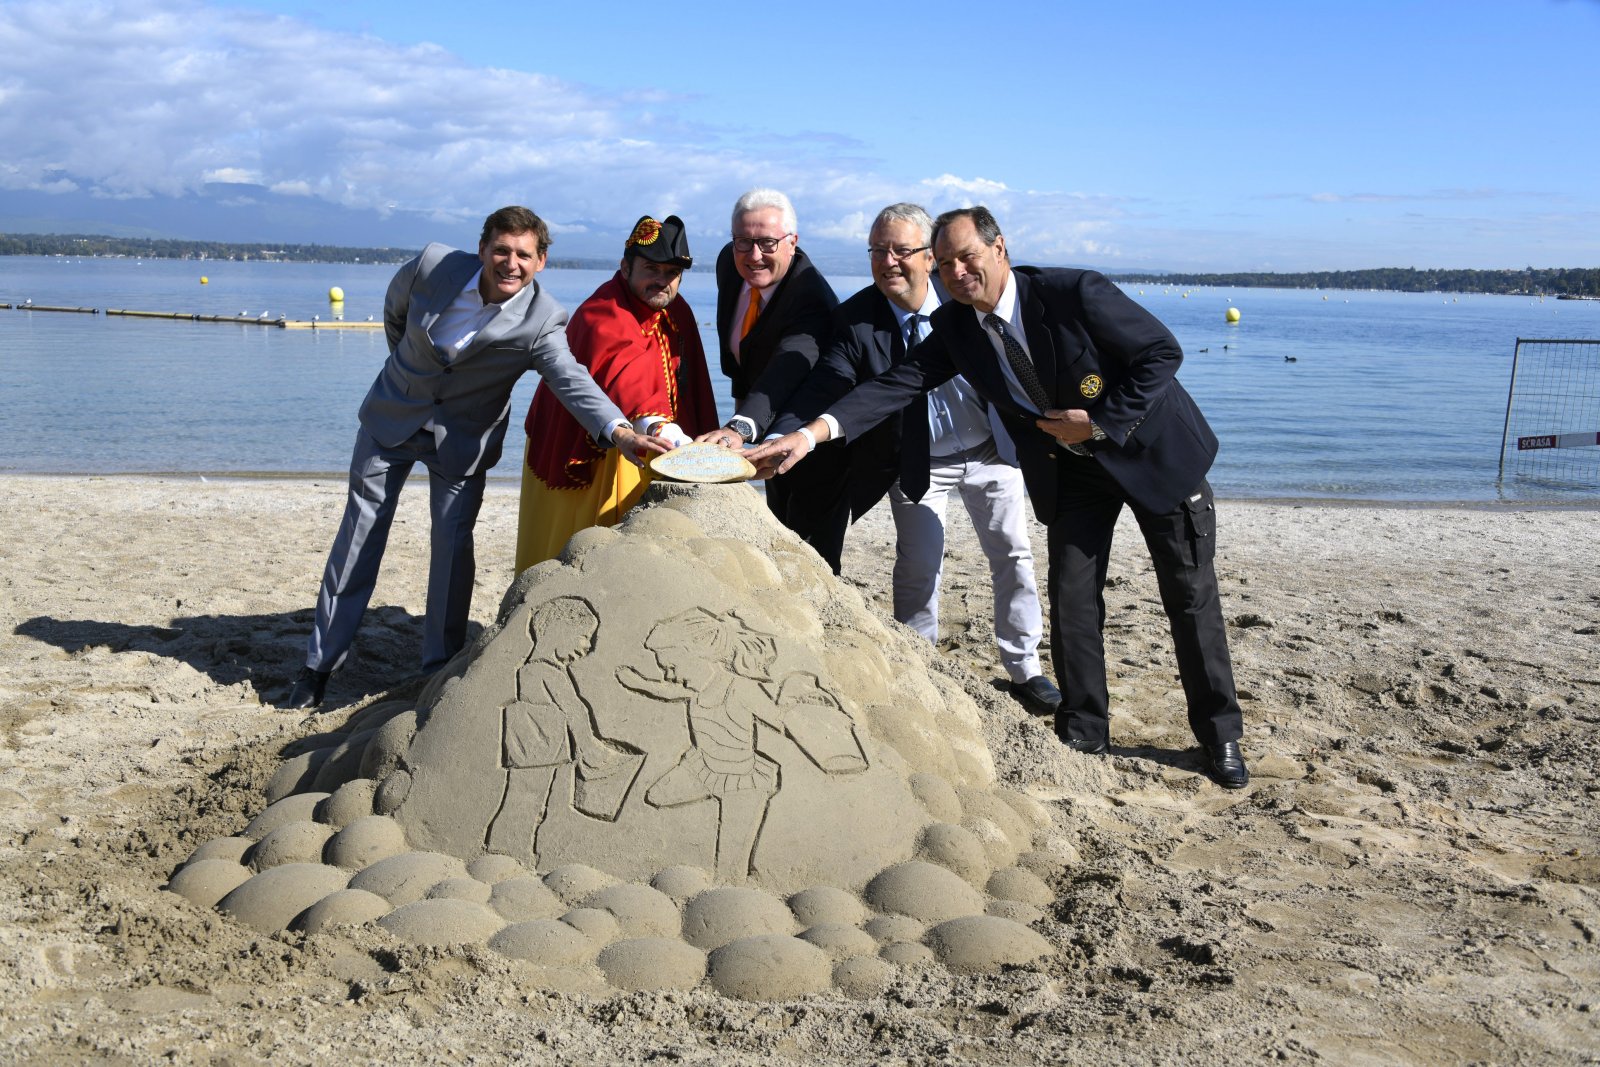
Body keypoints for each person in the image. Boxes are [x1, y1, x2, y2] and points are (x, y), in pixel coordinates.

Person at [747, 206, 1250, 789]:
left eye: (968, 258)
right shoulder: (958, 329)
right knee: (1073, 595)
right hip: (1074, 471)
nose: (958, 273)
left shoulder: (1074, 292)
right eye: (945, 264)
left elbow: (1162, 352)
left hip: (1153, 454)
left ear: (999, 248)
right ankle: (1085, 724)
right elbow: (894, 385)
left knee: (1188, 596)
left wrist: (1102, 422)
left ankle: (1219, 735)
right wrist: (809, 435)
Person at [280, 206, 668, 711]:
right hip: (391, 420)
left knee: (452, 550)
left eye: (524, 255)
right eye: (501, 251)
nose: (511, 263)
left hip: (463, 441)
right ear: (482, 248)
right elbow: (396, 316)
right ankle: (318, 668)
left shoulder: (542, 319)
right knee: (358, 537)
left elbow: (570, 379)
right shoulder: (431, 266)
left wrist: (618, 431)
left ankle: (436, 671)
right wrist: (409, 377)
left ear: (541, 261)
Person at [769, 203, 1059, 716]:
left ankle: (1025, 670)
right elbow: (829, 384)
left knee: (1014, 556)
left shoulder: (967, 298)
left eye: (902, 250)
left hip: (992, 451)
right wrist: (786, 433)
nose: (889, 262)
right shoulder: (855, 320)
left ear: (930, 257)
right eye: (878, 251)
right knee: (919, 564)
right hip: (922, 463)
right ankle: (919, 665)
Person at [516, 214, 717, 572]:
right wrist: (668, 436)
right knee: (574, 552)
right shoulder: (602, 311)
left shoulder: (678, 309)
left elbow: (691, 382)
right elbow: (625, 372)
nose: (662, 280)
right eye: (651, 268)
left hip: (647, 445)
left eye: (672, 273)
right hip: (590, 451)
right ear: (625, 266)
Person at [695, 188, 850, 573]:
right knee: (778, 528)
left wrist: (740, 426)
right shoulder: (729, 264)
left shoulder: (810, 296)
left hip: (814, 434)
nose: (754, 255)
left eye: (767, 243)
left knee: (812, 553)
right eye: (743, 241)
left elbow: (786, 369)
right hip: (762, 423)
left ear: (792, 242)